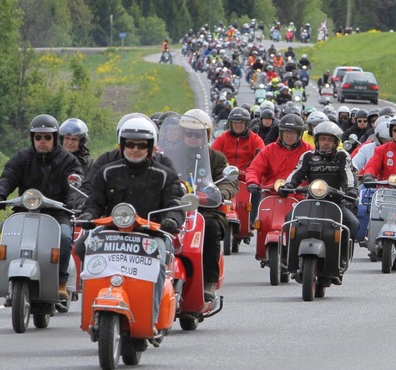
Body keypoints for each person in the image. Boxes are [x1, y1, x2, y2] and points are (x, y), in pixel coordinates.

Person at [78, 116, 183, 327]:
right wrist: (88, 216)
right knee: (83, 246)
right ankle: (93, 310)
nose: (135, 149)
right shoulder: (107, 172)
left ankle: (152, 319)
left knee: (160, 263)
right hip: (111, 233)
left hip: (150, 235)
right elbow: (94, 201)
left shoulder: (164, 175)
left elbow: (175, 205)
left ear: (151, 148)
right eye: (130, 144)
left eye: (141, 145)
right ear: (121, 145)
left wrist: (172, 220)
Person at [0, 114, 82, 304]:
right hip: (25, 212)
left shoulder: (68, 160)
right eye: (38, 137)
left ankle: (61, 282)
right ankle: (11, 283)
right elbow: (8, 176)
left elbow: (75, 184)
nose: (42, 141)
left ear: (55, 138)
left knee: (65, 236)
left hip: (57, 213)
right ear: (32, 138)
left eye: (47, 137)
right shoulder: (22, 158)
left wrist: (73, 202)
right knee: (6, 229)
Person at [281, 121, 359, 272]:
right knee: (289, 219)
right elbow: (297, 173)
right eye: (323, 139)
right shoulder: (308, 156)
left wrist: (351, 190)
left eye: (330, 140)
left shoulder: (343, 156)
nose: (326, 143)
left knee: (353, 224)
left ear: (336, 142)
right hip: (310, 203)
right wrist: (288, 185)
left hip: (336, 204)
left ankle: (341, 258)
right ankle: (286, 256)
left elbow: (348, 174)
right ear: (316, 140)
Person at [176, 110, 238, 298]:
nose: (193, 137)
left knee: (210, 229)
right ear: (182, 134)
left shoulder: (216, 158)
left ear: (207, 135)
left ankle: (209, 282)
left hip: (206, 209)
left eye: (198, 134)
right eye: (189, 133)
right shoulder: (170, 156)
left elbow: (229, 181)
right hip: (174, 208)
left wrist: (219, 193)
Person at [245, 114, 314, 224]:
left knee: (303, 228)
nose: (289, 136)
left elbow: (316, 172)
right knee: (264, 226)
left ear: (299, 134)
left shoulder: (309, 151)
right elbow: (254, 169)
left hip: (299, 198)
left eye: (293, 132)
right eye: (286, 132)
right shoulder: (269, 149)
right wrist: (252, 182)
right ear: (280, 133)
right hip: (271, 195)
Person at [211, 107, 264, 181]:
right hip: (224, 178)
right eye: (235, 122)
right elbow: (212, 156)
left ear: (246, 124)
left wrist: (248, 174)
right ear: (230, 124)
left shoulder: (255, 139)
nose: (238, 125)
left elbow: (261, 161)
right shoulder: (222, 138)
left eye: (241, 122)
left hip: (247, 180)